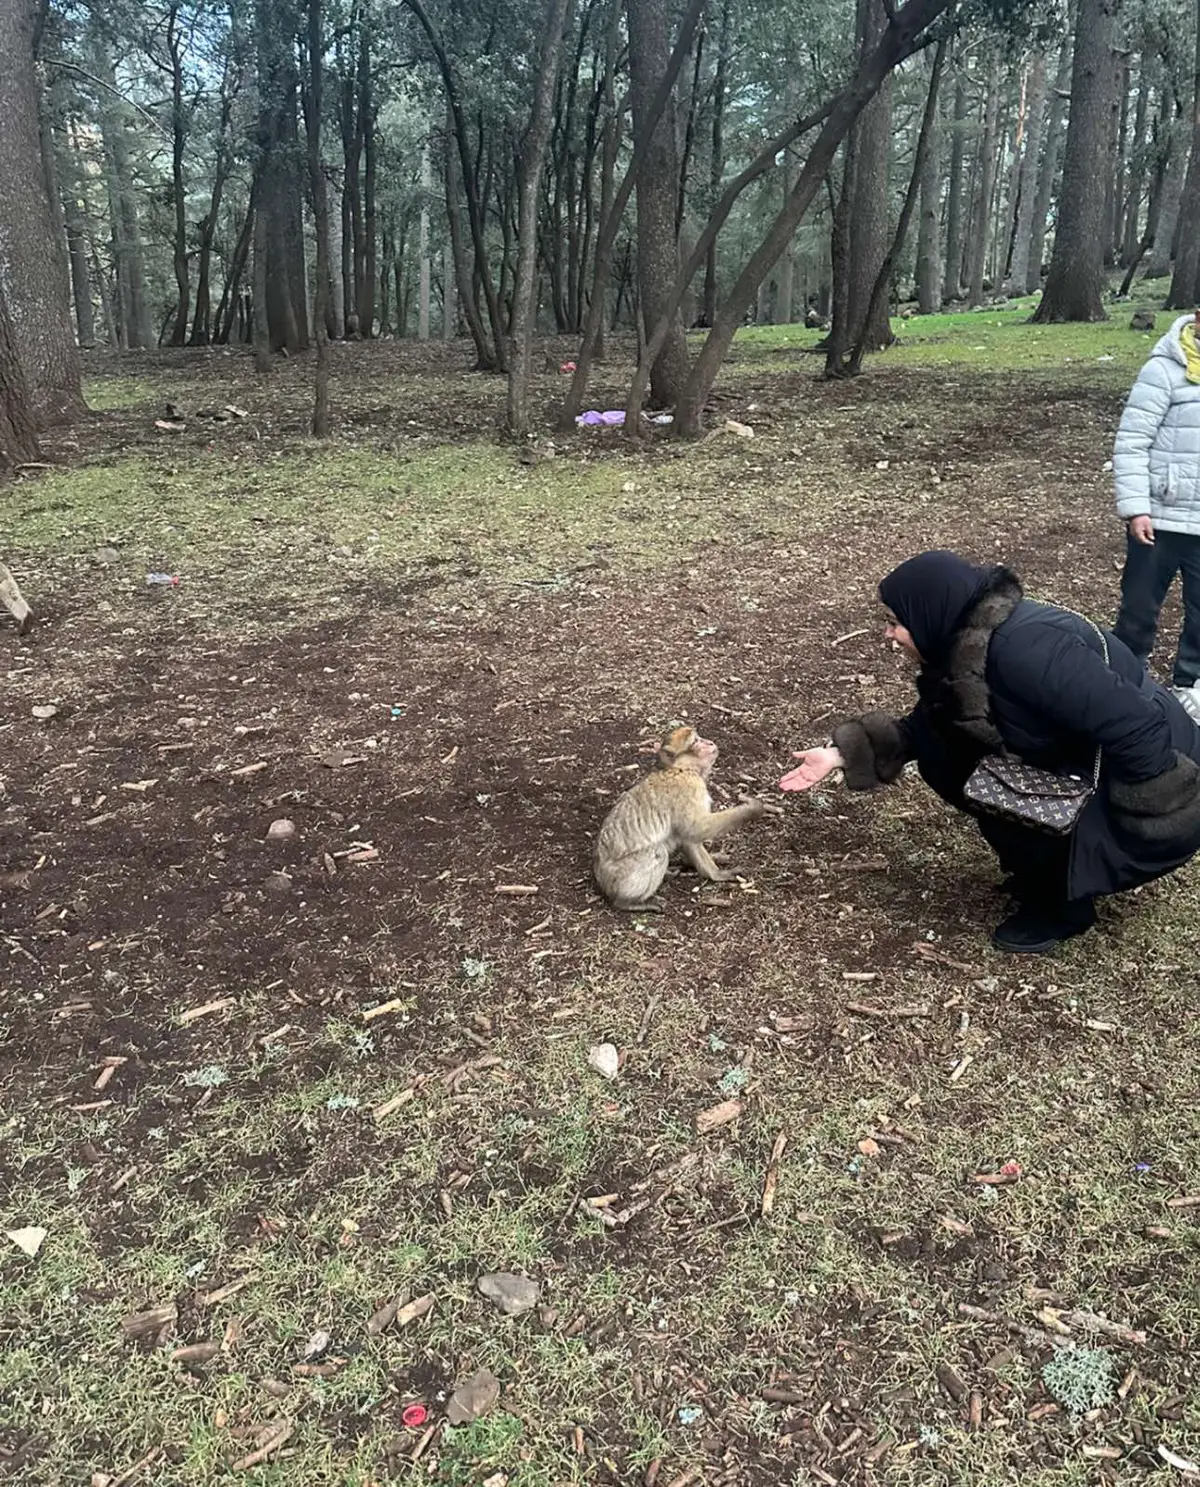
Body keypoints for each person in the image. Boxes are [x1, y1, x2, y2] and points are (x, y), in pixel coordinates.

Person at [780, 550, 1200, 954]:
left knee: (991, 784)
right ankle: (1046, 865)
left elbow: (1135, 723)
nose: (888, 635)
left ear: (929, 612)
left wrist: (1154, 823)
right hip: (1092, 752)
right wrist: (840, 754)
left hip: (1158, 767)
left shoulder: (1028, 650)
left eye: (894, 622)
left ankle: (1062, 906)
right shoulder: (966, 645)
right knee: (949, 758)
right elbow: (929, 726)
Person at [1113, 308, 1200, 722]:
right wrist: (1137, 510)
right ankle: (1124, 682)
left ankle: (1190, 688)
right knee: (1139, 608)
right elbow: (1131, 442)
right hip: (1160, 520)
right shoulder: (1164, 369)